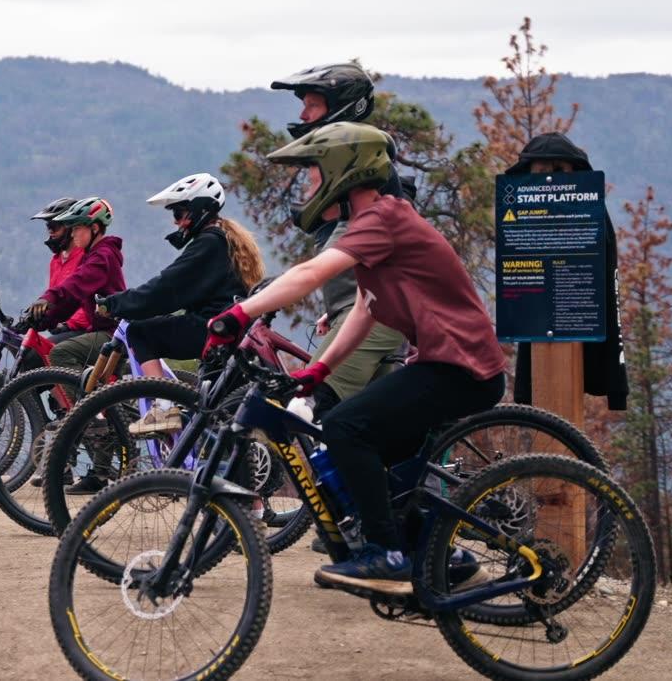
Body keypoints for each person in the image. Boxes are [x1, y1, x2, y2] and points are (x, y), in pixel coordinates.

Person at [204, 124, 506, 594]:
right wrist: (320, 370)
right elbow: (367, 306)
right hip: (444, 365)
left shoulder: (382, 218)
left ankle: (386, 557)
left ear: (342, 172)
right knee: (357, 455)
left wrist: (238, 312)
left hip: (460, 369)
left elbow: (309, 274)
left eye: (310, 173)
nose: (305, 185)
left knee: (346, 428)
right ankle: (443, 554)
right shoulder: (378, 224)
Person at [270, 61, 409, 419]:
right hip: (366, 312)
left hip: (374, 318)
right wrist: (336, 301)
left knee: (306, 408)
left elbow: (362, 243)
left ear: (342, 109)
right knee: (366, 432)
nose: (303, 114)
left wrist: (276, 290)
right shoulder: (345, 165)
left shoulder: (364, 170)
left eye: (312, 105)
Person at [98, 173, 265, 435]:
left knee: (140, 332)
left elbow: (167, 288)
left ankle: (163, 408)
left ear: (199, 209)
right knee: (219, 421)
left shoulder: (209, 243)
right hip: (231, 335)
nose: (177, 222)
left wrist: (116, 303)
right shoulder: (223, 239)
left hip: (214, 329)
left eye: (179, 213)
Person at [503, 133, 631, 411]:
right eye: (542, 171)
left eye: (560, 170)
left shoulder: (593, 215)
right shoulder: (520, 215)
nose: (551, 178)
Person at [22, 197, 125, 371]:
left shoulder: (102, 256)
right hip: (99, 330)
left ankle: (81, 399)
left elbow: (75, 284)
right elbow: (72, 302)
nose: (73, 233)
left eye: (77, 228)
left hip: (111, 333)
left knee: (58, 353)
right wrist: (44, 320)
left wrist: (49, 297)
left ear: (94, 228)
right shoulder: (91, 255)